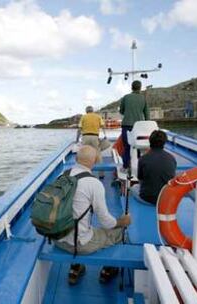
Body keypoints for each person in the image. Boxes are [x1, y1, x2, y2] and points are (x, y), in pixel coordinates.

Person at [54, 145, 131, 285]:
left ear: (76, 159)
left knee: (83, 225)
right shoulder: (94, 184)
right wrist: (122, 222)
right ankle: (108, 270)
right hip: (79, 245)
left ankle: (75, 268)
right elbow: (106, 223)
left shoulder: (62, 176)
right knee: (120, 232)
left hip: (57, 239)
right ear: (95, 161)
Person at [136, 130, 176, 204]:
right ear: (164, 142)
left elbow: (140, 179)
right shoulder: (171, 158)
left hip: (147, 198)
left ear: (150, 141)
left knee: (134, 187)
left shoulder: (143, 159)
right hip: (166, 197)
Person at [119, 80, 149, 170]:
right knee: (139, 146)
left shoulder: (126, 97)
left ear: (131, 87)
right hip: (139, 126)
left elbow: (121, 111)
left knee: (127, 147)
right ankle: (139, 166)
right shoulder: (143, 99)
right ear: (140, 88)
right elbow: (147, 114)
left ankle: (125, 166)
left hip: (126, 125)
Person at [77, 105, 105, 178]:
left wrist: (77, 139)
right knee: (98, 155)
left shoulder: (83, 117)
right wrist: (104, 135)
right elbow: (102, 126)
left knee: (84, 155)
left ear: (86, 111)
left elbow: (79, 129)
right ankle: (101, 174)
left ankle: (84, 174)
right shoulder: (98, 117)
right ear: (93, 110)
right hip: (95, 137)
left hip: (85, 137)